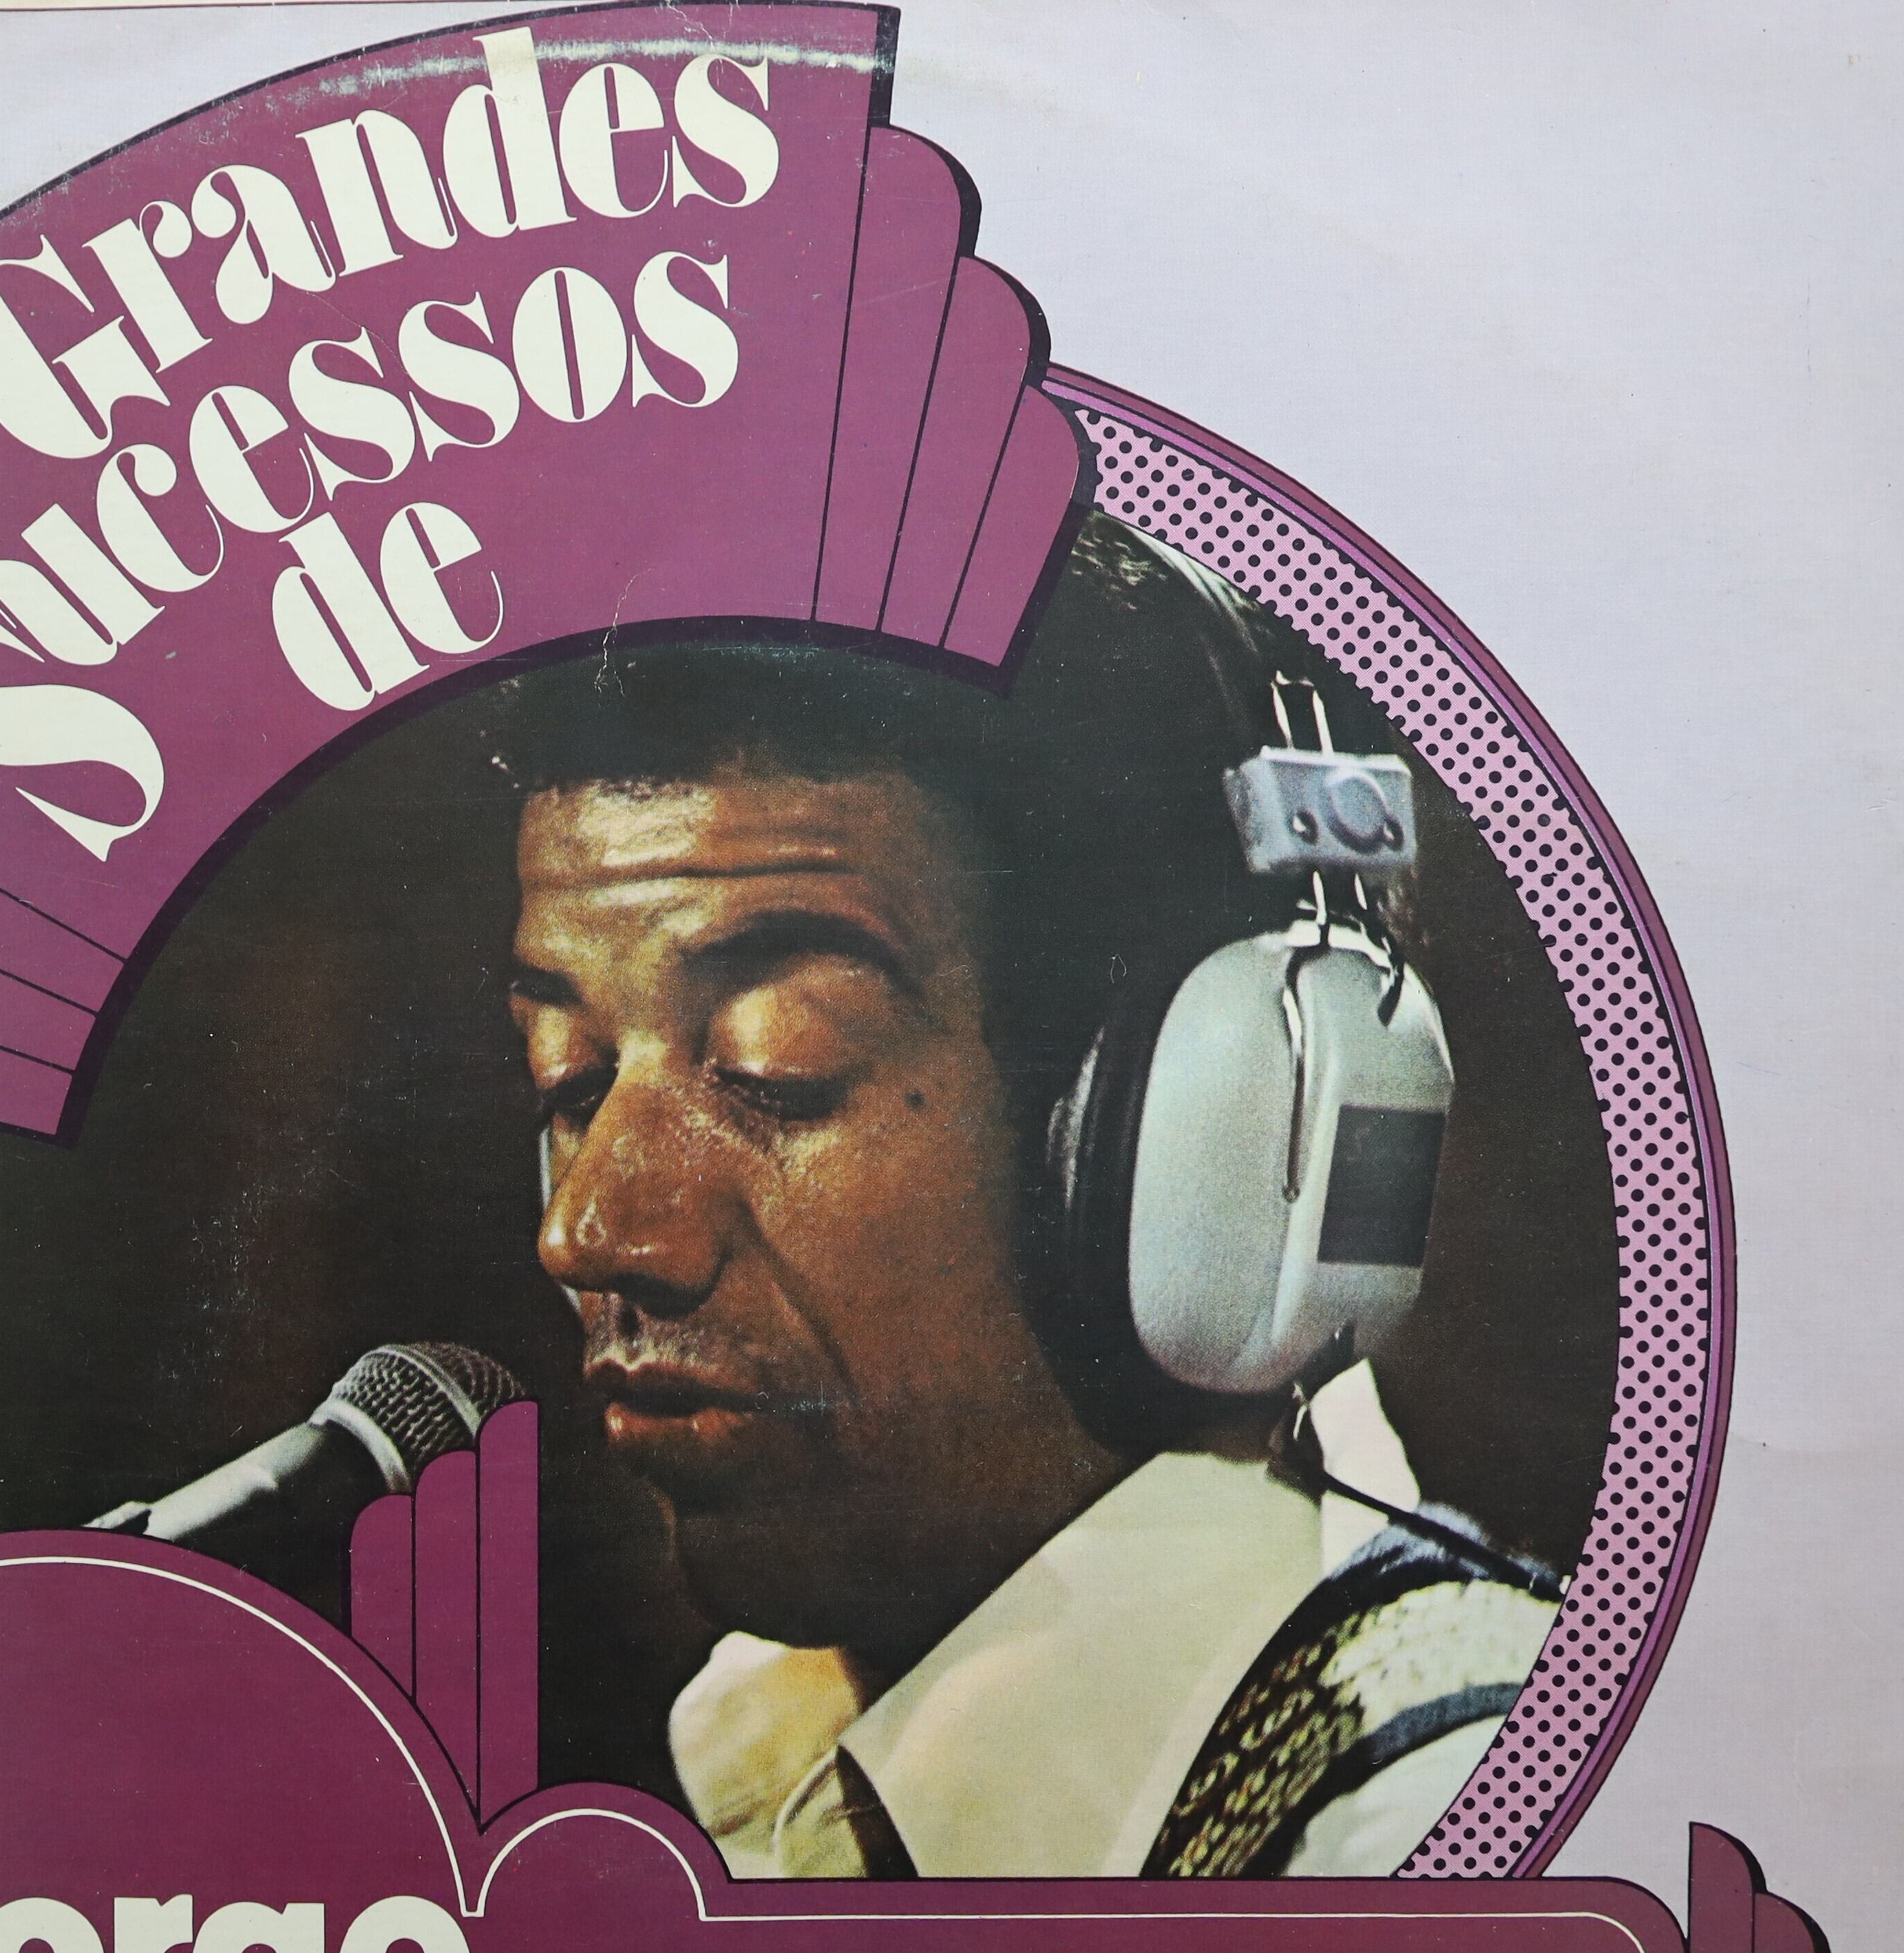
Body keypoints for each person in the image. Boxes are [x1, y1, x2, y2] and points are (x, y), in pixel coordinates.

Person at [492, 516, 1561, 1880]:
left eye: (774, 1066)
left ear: (1215, 1127)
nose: (587, 1230)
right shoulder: (765, 1779)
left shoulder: (1442, 1843)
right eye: (570, 1078)